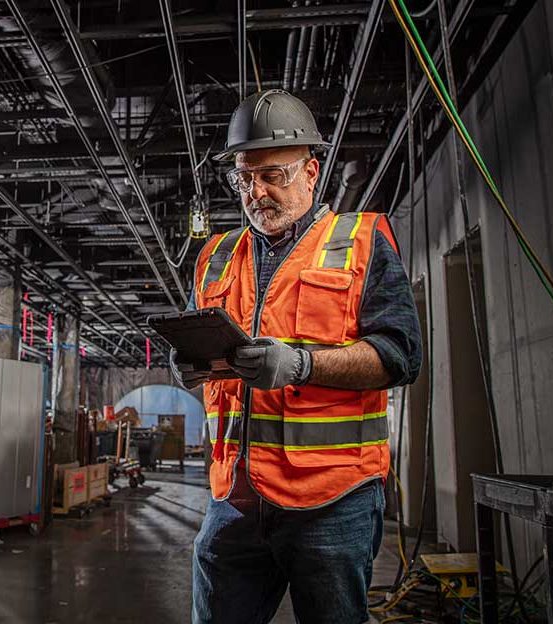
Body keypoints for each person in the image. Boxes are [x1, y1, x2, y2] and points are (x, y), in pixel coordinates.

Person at [171, 89, 422, 624]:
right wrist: (192, 365)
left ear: (310, 171)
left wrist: (303, 366)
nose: (256, 191)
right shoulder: (215, 257)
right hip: (234, 502)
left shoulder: (360, 241)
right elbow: (209, 355)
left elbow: (401, 356)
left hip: (333, 502)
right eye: (245, 177)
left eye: (272, 175)